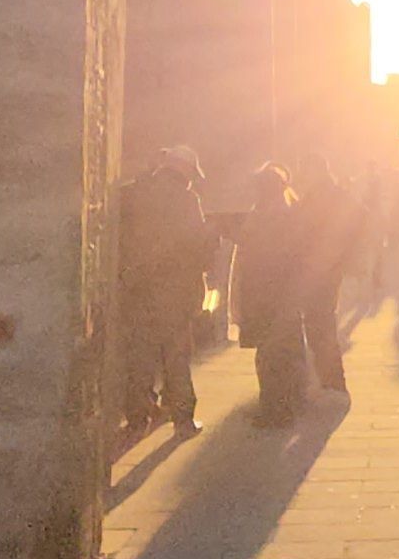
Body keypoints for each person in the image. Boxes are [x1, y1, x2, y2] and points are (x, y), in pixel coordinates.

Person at [113, 146, 209, 437]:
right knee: (176, 356)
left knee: (140, 356)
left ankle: (137, 417)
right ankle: (183, 418)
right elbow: (197, 246)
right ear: (185, 171)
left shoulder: (135, 193)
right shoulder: (187, 199)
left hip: (138, 288)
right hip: (175, 292)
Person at [231, 164, 312, 430]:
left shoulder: (260, 218)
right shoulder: (292, 214)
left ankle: (274, 409)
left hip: (262, 295)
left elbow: (244, 260)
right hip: (285, 296)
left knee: (268, 356)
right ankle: (288, 403)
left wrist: (238, 302)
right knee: (284, 352)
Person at [293, 151, 367, 401]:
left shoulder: (322, 196)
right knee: (319, 323)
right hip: (325, 268)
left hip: (321, 269)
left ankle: (333, 381)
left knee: (320, 324)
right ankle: (329, 379)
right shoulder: (332, 194)